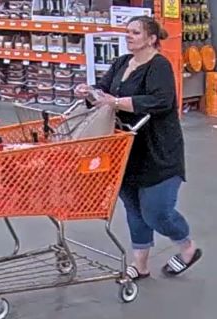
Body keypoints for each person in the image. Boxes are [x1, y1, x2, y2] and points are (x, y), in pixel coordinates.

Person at [75, 16, 202, 280]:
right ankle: (140, 264)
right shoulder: (122, 63)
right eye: (127, 32)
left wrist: (117, 101)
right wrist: (90, 93)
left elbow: (160, 101)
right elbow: (104, 90)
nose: (128, 36)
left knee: (156, 212)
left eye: (135, 32)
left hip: (158, 151)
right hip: (124, 149)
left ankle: (187, 247)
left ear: (151, 38)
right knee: (133, 208)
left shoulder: (159, 66)